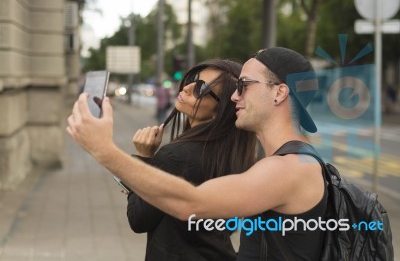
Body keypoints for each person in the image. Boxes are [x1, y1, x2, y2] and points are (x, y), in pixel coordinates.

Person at [67, 47, 327, 260]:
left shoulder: (289, 168)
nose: (234, 97)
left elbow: (190, 204)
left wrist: (104, 150)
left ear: (280, 92)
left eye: (244, 85)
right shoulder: (273, 161)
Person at [127, 59, 257, 260]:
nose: (186, 88)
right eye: (193, 80)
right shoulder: (237, 155)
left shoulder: (175, 156)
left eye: (200, 88)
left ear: (221, 108)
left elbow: (138, 220)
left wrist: (144, 159)